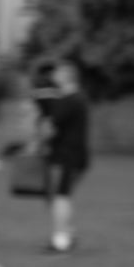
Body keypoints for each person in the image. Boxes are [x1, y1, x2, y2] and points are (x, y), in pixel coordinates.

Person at [32, 61, 92, 254]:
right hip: (77, 156)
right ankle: (68, 235)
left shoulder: (68, 100)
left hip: (67, 156)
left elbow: (49, 128)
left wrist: (37, 144)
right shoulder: (79, 98)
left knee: (60, 197)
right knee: (60, 196)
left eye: (57, 73)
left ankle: (61, 240)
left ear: (67, 77)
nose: (53, 76)